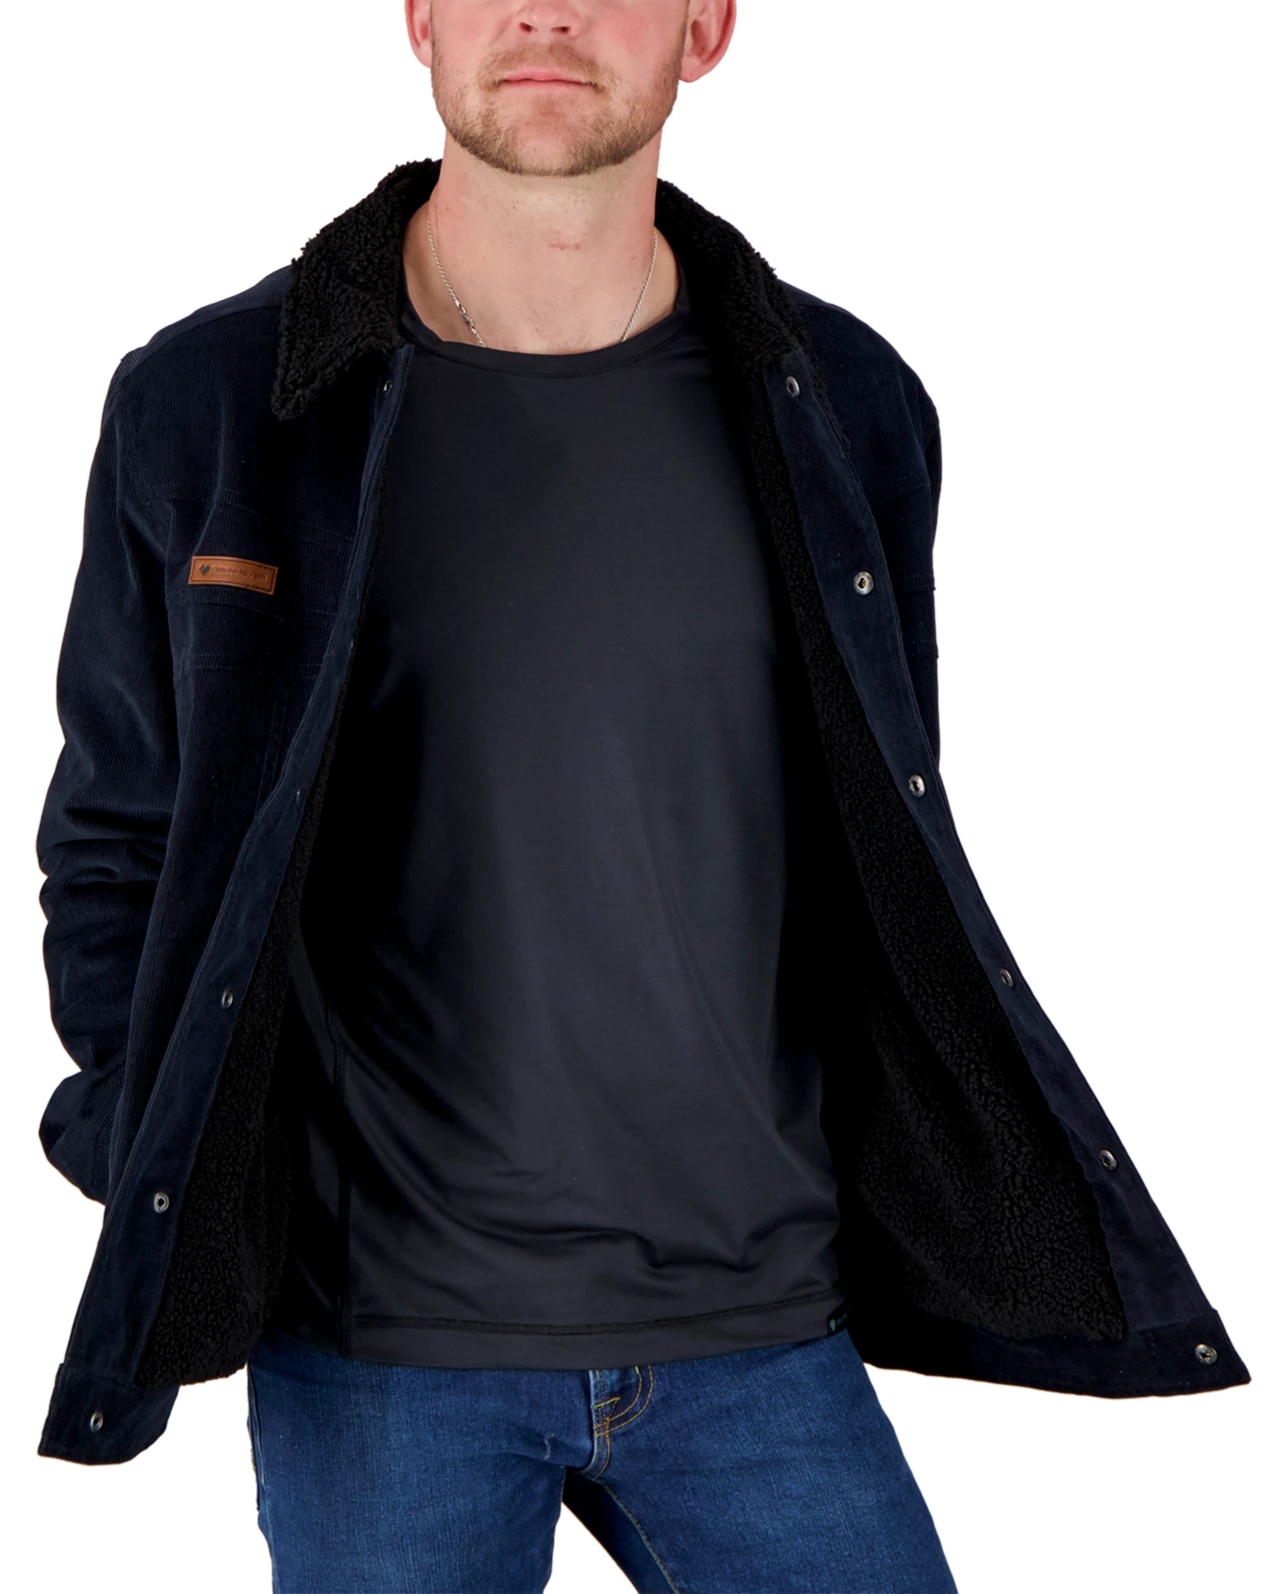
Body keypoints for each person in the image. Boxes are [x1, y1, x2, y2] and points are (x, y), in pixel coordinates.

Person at [38, 0, 1248, 1583]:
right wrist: (162, 1140)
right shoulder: (211, 404)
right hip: (374, 1342)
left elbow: (883, 833)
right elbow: (117, 833)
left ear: (706, 27)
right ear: (417, 17)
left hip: (762, 1326)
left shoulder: (844, 400)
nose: (544, 11)